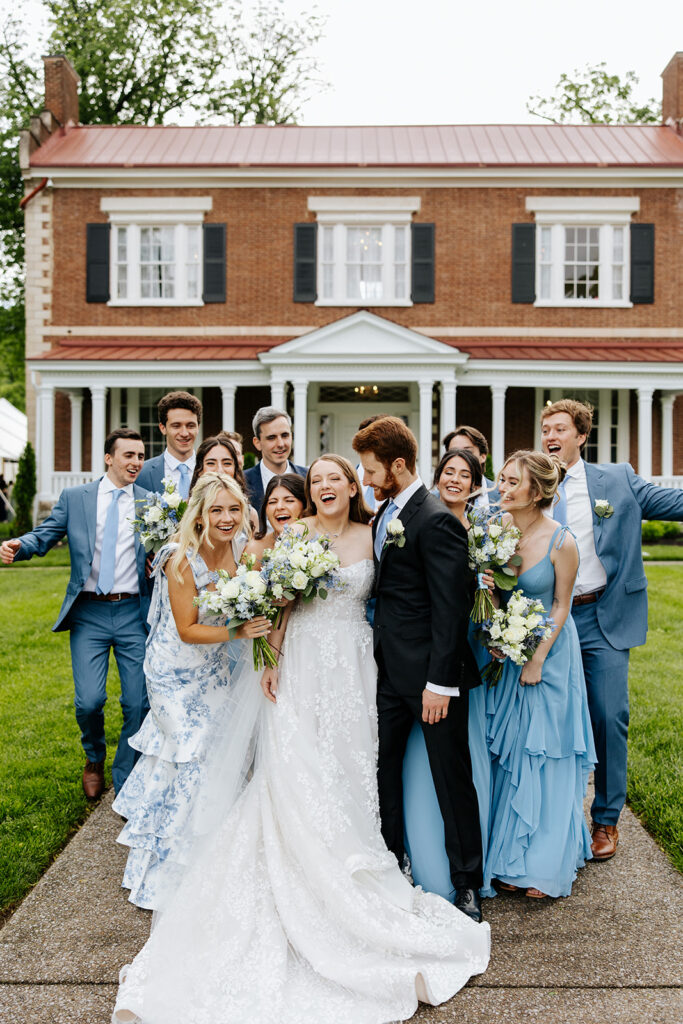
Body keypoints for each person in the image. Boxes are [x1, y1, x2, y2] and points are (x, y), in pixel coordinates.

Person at [112, 454, 490, 1024]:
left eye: (335, 478)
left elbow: (403, 592)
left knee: (355, 765)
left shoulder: (377, 532)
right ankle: (304, 866)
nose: (325, 486)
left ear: (353, 486)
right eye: (317, 481)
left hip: (357, 666)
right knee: (296, 768)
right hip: (303, 662)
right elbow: (282, 603)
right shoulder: (297, 534)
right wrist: (272, 657)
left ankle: (365, 858)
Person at [113, 473, 271, 911]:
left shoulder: (241, 550)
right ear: (199, 514)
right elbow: (186, 629)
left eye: (233, 509)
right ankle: (165, 874)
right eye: (216, 510)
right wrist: (240, 631)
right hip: (173, 675)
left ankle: (213, 860)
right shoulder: (179, 557)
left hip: (215, 670)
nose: (226, 518)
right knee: (192, 754)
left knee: (213, 757)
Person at [352, 417, 484, 924]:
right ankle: (393, 864)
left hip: (432, 680)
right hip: (387, 673)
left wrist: (440, 683)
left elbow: (451, 610)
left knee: (451, 778)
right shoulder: (385, 514)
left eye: (371, 470)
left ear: (399, 465)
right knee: (382, 772)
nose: (366, 479)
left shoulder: (435, 520)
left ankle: (467, 883)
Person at [540, 398, 683, 861]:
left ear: (581, 436)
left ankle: (605, 819)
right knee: (547, 718)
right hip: (546, 618)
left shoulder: (616, 479)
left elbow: (672, 502)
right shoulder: (532, 481)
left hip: (602, 615)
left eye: (560, 428)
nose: (550, 436)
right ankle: (553, 819)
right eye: (546, 429)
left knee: (608, 716)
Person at [0, 429, 152, 797]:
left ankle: (125, 777)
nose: (136, 462)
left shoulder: (152, 503)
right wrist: (20, 545)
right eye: (128, 455)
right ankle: (94, 757)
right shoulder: (76, 498)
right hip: (89, 612)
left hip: (134, 612)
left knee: (138, 702)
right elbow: (46, 534)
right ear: (109, 458)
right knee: (89, 702)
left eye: (140, 456)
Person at [485, 450, 595, 899]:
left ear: (536, 492)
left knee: (545, 752)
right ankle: (511, 856)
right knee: (512, 753)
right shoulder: (497, 531)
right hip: (507, 653)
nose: (502, 488)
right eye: (502, 479)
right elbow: (496, 593)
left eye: (513, 482)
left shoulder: (561, 541)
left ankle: (544, 864)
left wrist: (537, 659)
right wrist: (492, 615)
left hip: (549, 655)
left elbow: (561, 606)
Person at [402, 448, 492, 899]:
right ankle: (412, 855)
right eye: (448, 472)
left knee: (456, 765)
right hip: (416, 656)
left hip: (459, 653)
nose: (455, 479)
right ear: (437, 477)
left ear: (475, 485)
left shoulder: (484, 533)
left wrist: (490, 588)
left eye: (465, 474)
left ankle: (467, 876)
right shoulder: (414, 519)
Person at [136, 391, 202, 499]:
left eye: (190, 426)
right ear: (163, 428)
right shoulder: (142, 473)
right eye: (176, 426)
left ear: (198, 427)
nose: (184, 433)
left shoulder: (210, 470)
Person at [243, 406, 307, 513]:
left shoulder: (308, 478)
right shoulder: (242, 482)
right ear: (257, 443)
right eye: (271, 438)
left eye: (285, 435)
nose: (280, 444)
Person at [188, 434, 258, 530]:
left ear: (235, 469)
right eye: (211, 463)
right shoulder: (185, 509)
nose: (220, 470)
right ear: (199, 470)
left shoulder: (250, 514)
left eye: (227, 463)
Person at [246, 472, 306, 562]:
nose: (279, 507)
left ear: (305, 506)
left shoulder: (319, 543)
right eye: (272, 502)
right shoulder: (255, 550)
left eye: (289, 500)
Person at [442, 425, 498, 507]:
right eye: (453, 452)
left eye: (468, 452)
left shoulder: (502, 495)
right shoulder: (431, 499)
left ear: (483, 457)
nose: (461, 456)